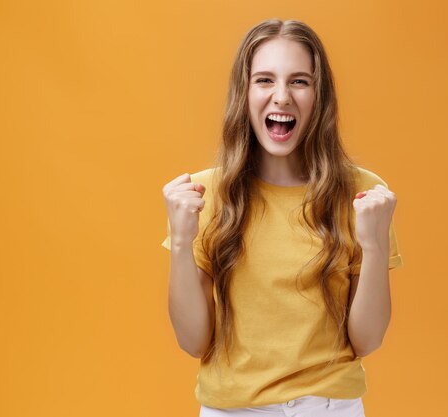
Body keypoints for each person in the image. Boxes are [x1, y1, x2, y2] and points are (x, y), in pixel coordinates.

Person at [161, 18, 403, 417]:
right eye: (264, 80)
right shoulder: (204, 198)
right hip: (232, 410)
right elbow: (193, 342)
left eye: (299, 81)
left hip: (331, 407)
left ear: (319, 96)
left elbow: (368, 340)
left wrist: (373, 246)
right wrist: (182, 245)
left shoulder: (362, 194)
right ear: (244, 93)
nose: (281, 97)